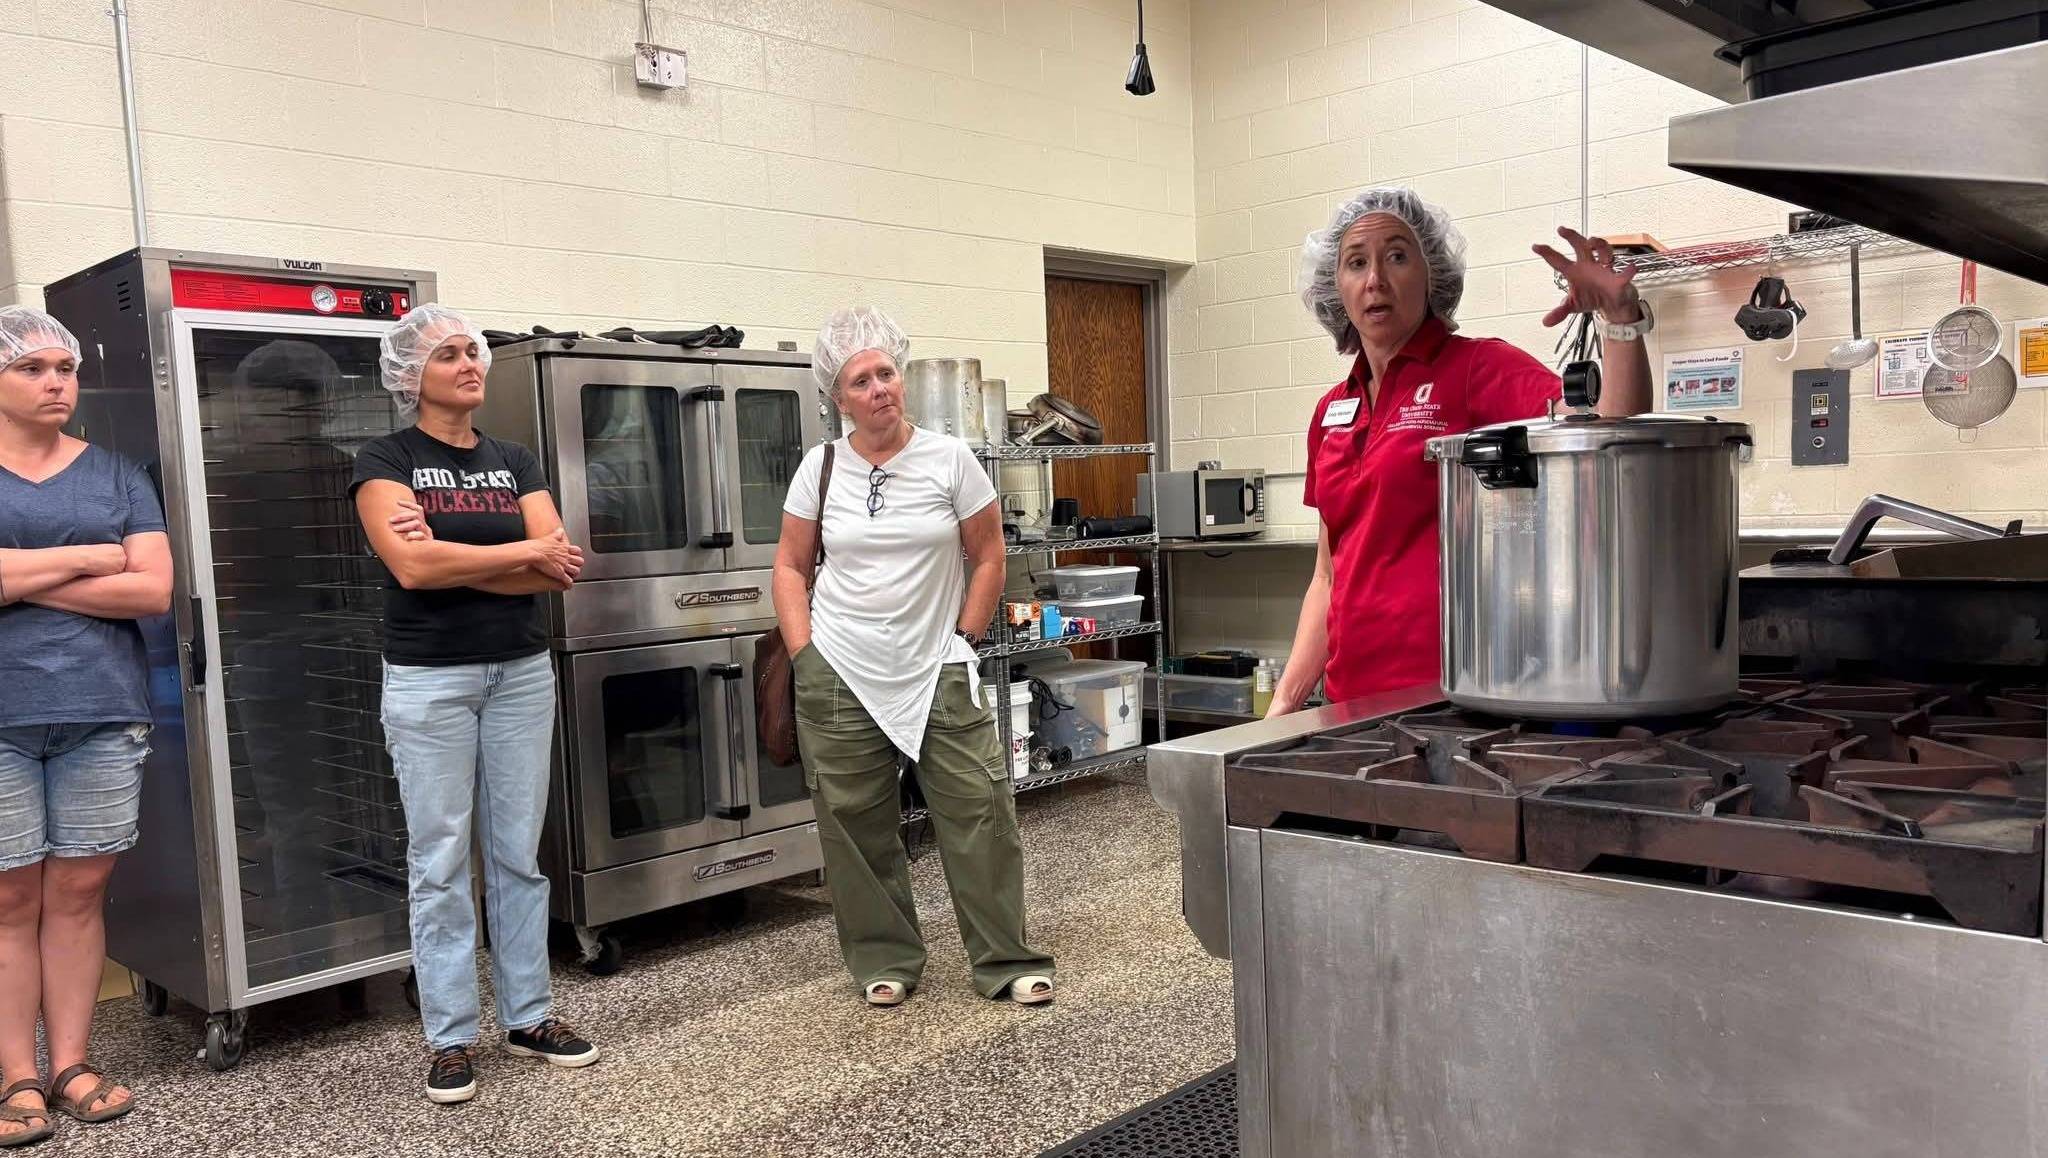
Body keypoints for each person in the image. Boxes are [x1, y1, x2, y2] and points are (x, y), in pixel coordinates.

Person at [1269, 188, 1654, 716]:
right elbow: (1327, 575)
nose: (1375, 279)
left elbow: (1609, 432)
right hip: (1348, 705)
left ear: (1432, 274)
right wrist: (1285, 703)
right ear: (1335, 286)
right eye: (1356, 262)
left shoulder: (1476, 368)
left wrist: (1619, 321)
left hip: (1452, 701)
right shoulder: (1332, 410)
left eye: (1397, 256)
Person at [349, 304, 598, 1105]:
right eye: (448, 355)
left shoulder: (514, 458)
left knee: (518, 854)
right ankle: (451, 1037)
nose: (469, 364)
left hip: (519, 673)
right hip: (429, 679)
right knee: (441, 859)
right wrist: (517, 551)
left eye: (472, 351)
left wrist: (455, 554)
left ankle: (529, 1017)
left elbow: (559, 569)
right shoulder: (386, 459)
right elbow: (411, 570)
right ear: (410, 376)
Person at [773, 306, 1055, 1008]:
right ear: (839, 398)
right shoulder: (820, 468)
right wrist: (805, 655)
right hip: (841, 668)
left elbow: (989, 556)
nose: (879, 389)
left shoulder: (949, 459)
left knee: (981, 813)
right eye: (861, 380)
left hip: (937, 667)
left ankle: (1005, 959)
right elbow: (789, 566)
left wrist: (966, 638)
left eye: (886, 373)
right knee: (854, 827)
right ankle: (885, 959)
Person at [0, 306, 173, 1139]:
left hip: (102, 710)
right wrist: (89, 557)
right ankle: (16, 1077)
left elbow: (152, 590)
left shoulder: (116, 474)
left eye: (64, 368)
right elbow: (121, 574)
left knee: (76, 892)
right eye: (30, 368)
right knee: (8, 897)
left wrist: (19, 577)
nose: (55, 383)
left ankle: (70, 1064)